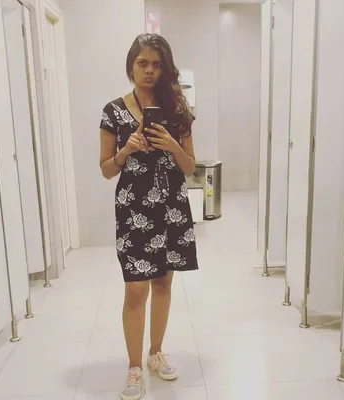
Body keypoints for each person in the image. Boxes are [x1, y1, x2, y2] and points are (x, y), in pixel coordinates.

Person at [99, 33, 199, 400]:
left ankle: (155, 353)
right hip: (134, 210)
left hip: (171, 207)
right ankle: (133, 365)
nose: (149, 70)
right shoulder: (113, 111)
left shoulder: (178, 110)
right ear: (131, 66)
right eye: (142, 63)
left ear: (165, 68)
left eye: (156, 64)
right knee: (136, 289)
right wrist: (126, 150)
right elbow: (106, 170)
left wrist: (172, 145)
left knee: (163, 284)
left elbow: (189, 167)